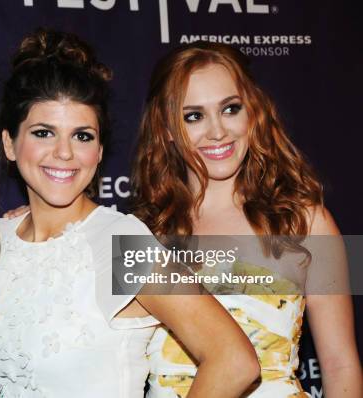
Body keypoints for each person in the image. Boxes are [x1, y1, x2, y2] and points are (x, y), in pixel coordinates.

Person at [0, 28, 260, 397]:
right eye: (43, 133)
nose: (64, 153)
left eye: (82, 135)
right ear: (10, 143)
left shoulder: (120, 243)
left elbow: (234, 360)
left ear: (99, 152)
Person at [132, 42, 362, 397]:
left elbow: (341, 365)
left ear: (253, 112)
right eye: (194, 116)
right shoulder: (142, 233)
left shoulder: (307, 221)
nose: (217, 131)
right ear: (165, 128)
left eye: (230, 109)